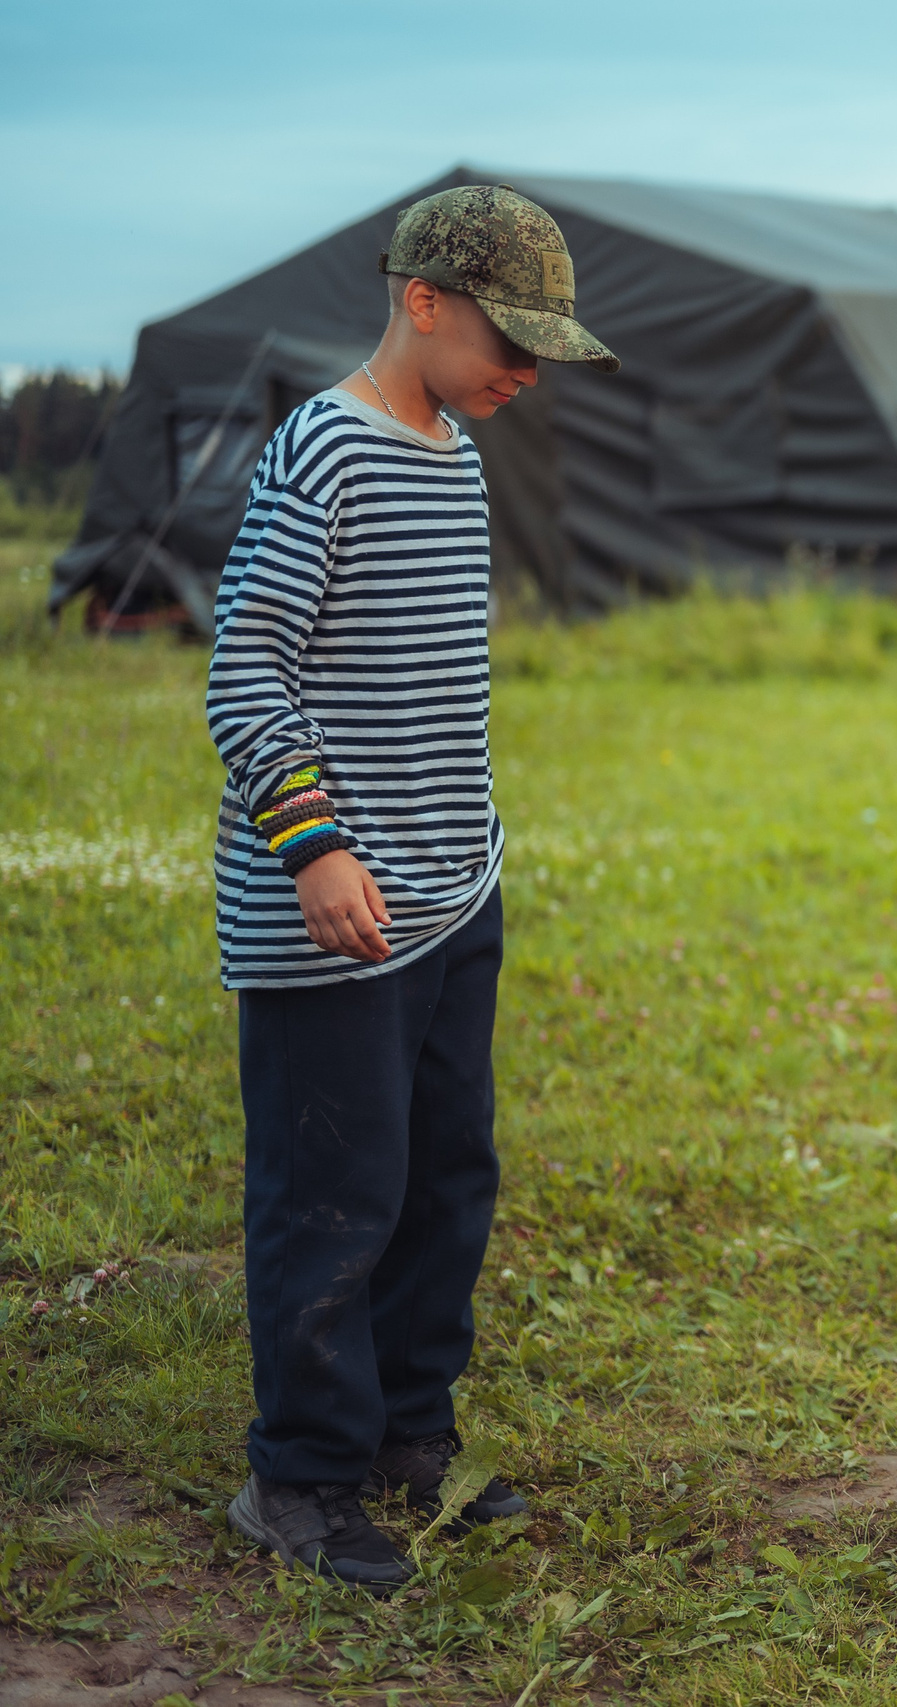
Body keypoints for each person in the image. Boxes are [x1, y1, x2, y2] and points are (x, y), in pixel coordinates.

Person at [207, 185, 619, 1588]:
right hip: (337, 911)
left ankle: (403, 1433)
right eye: (514, 338)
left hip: (454, 896)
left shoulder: (455, 453)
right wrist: (315, 845)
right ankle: (302, 1476)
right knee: (336, 1189)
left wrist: (466, 843)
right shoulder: (324, 447)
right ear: (422, 299)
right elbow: (247, 666)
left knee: (446, 1174)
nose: (527, 371)